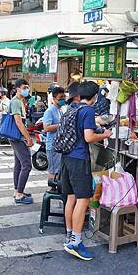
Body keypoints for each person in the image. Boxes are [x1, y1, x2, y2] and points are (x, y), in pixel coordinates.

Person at [61, 81, 112, 261]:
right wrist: (104, 135)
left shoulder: (72, 109)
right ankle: (75, 242)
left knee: (71, 197)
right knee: (83, 200)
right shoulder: (88, 111)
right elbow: (89, 137)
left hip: (66, 159)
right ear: (95, 96)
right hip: (79, 159)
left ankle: (69, 235)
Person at [8, 79, 34, 204]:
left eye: (27, 87)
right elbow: (18, 122)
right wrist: (28, 137)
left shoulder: (19, 101)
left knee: (19, 164)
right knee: (27, 165)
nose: (26, 89)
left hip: (16, 137)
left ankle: (18, 190)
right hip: (17, 137)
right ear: (17, 88)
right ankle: (19, 193)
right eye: (24, 87)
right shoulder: (16, 102)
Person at [42, 86, 65, 180]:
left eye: (64, 98)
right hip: (52, 145)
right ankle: (51, 190)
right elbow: (46, 128)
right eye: (60, 98)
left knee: (58, 170)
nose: (63, 100)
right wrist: (62, 125)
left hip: (60, 144)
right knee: (53, 170)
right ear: (54, 99)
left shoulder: (61, 110)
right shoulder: (50, 111)